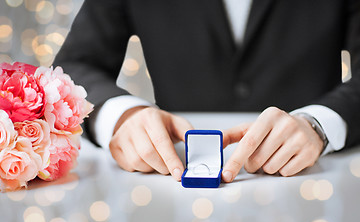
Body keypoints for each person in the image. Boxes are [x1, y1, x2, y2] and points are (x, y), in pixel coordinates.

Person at [53, 0, 360, 183]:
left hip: (317, 184)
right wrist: (122, 115)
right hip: (171, 190)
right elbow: (76, 65)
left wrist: (319, 125)